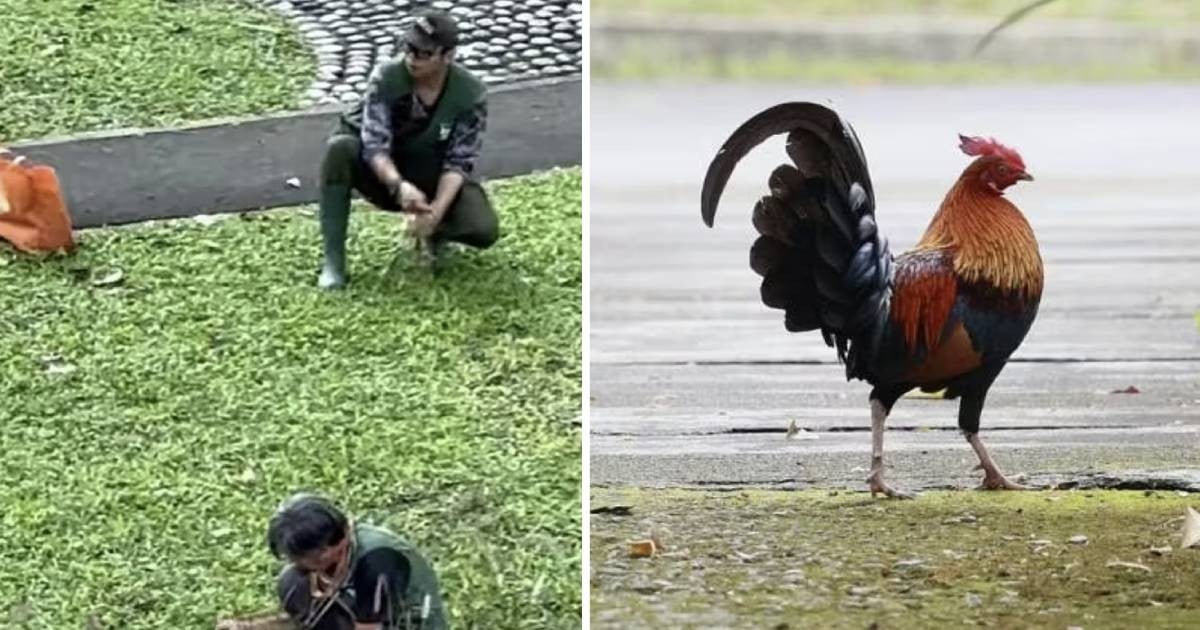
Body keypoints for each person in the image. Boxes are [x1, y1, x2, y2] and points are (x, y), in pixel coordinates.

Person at [316, 10, 498, 290]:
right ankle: (333, 261)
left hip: (429, 171)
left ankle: (434, 234)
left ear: (447, 56)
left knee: (483, 228)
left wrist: (436, 211)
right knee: (339, 149)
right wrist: (399, 185)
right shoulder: (387, 77)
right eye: (409, 48)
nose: (412, 58)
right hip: (381, 171)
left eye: (424, 53)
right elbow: (375, 144)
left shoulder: (470, 95)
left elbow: (459, 161)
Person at [267, 493, 450, 629]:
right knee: (293, 584)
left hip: (401, 624)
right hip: (352, 614)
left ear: (339, 541)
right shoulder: (301, 574)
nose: (299, 564)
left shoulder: (378, 561)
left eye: (308, 557)